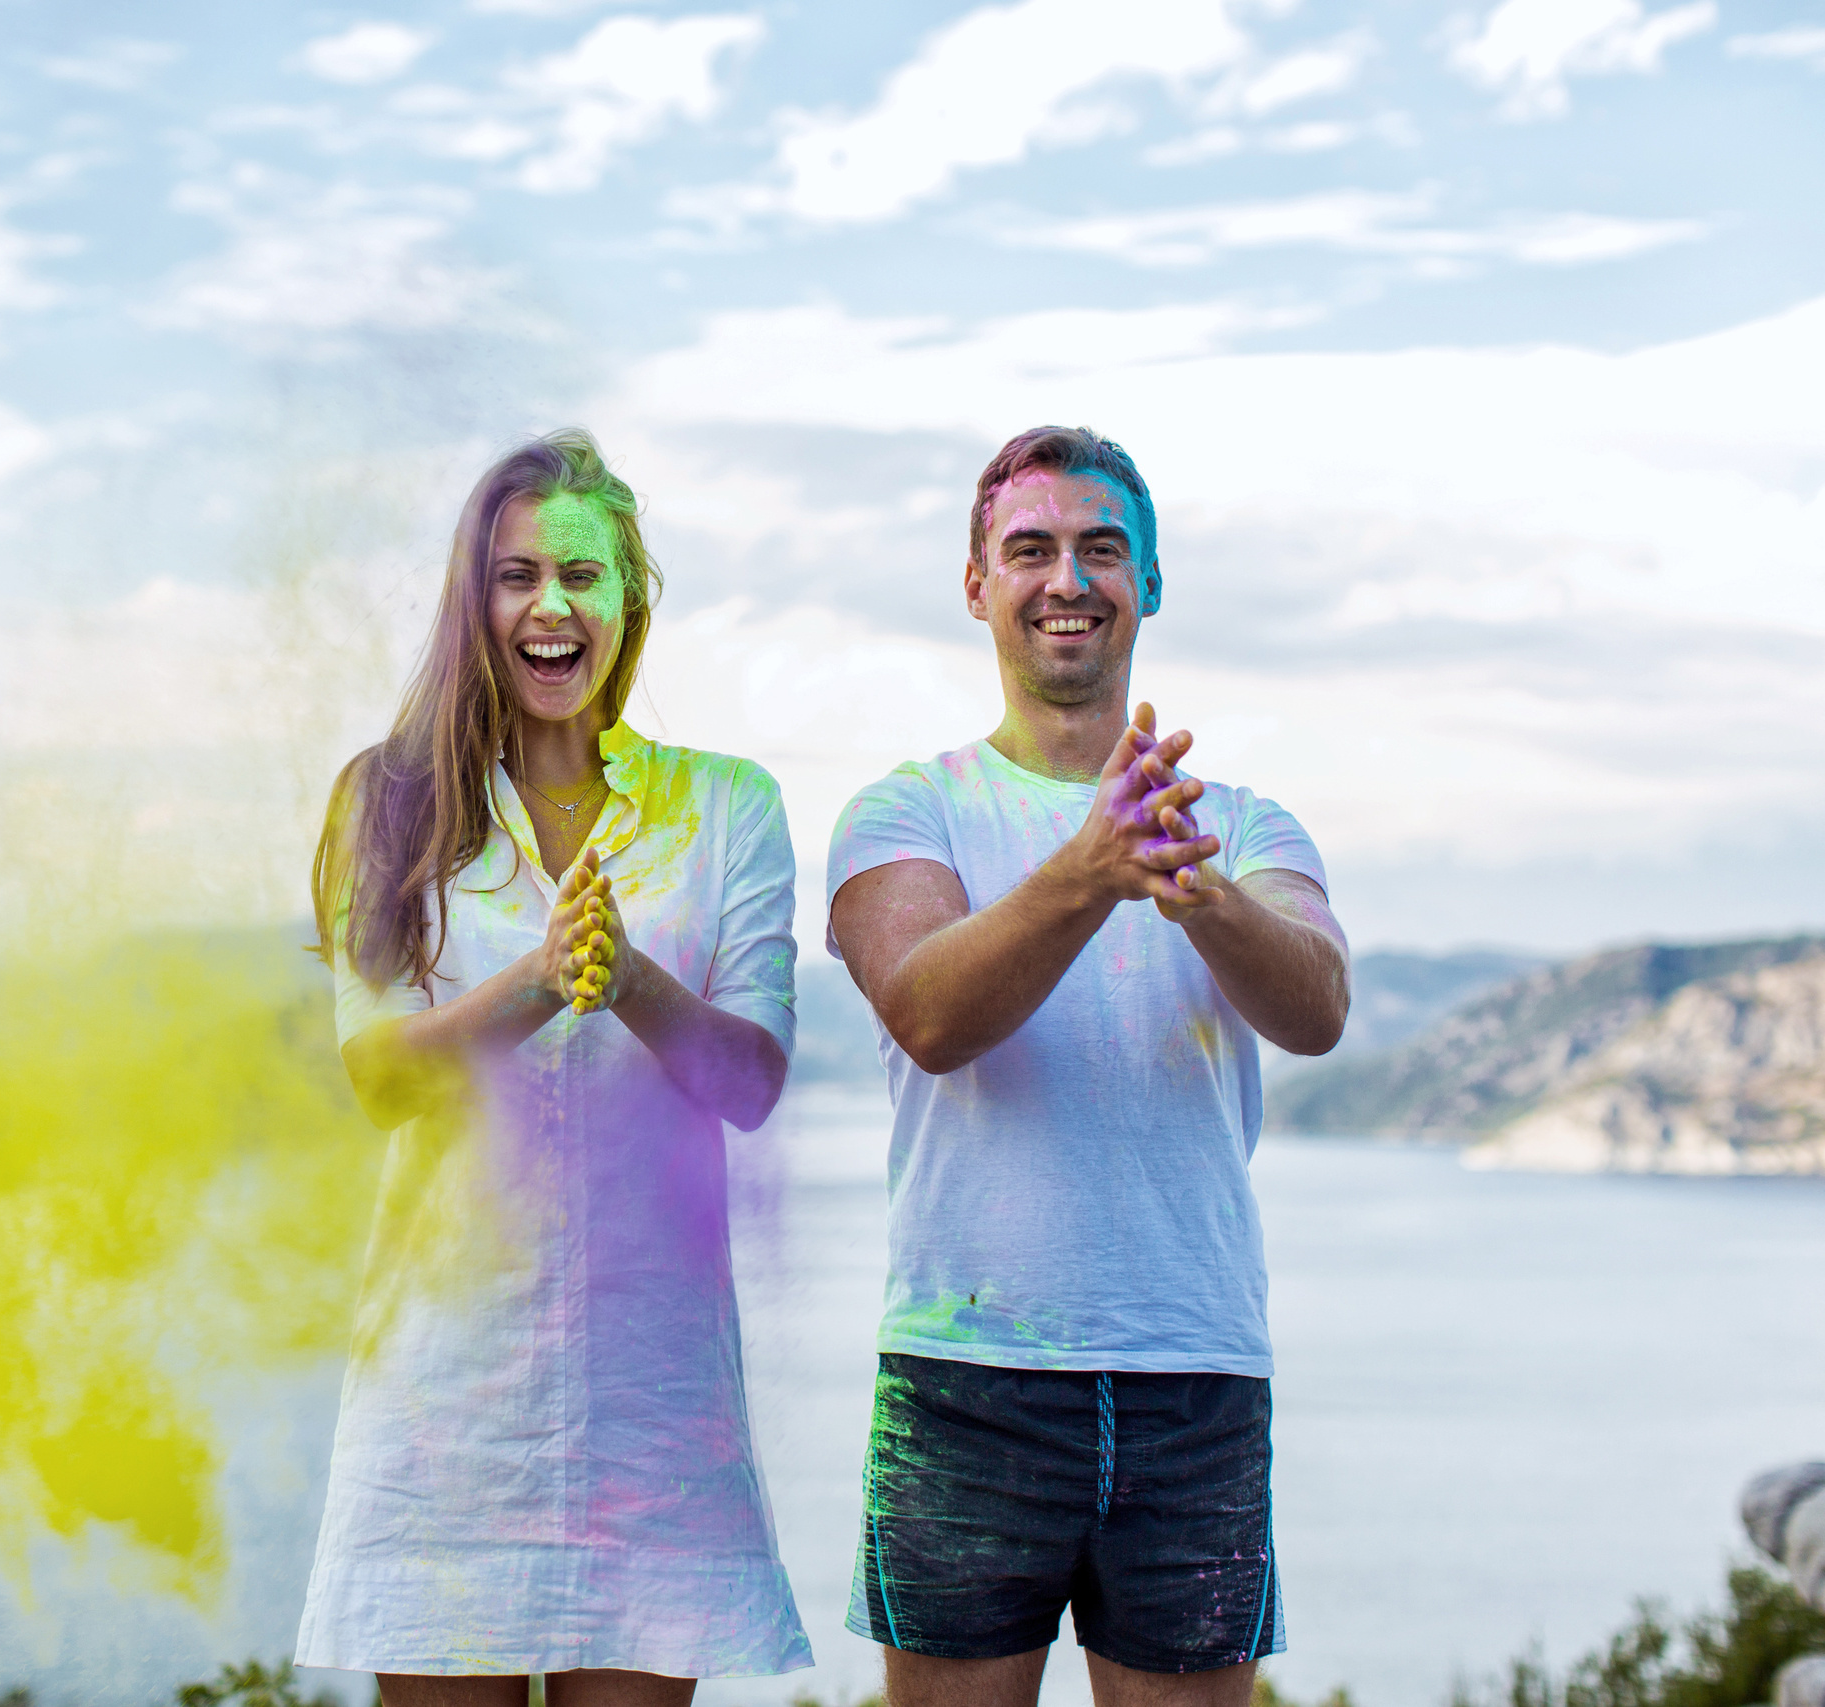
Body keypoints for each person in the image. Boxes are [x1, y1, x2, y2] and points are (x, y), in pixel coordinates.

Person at [825, 427, 1350, 1707]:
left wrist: (1193, 886)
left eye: (1101, 549)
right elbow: (929, 1014)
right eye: (1031, 549)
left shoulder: (1242, 827)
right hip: (965, 1380)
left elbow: (1318, 1006)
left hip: (1198, 1379)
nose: (1068, 578)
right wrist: (1091, 867)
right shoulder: (904, 811)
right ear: (975, 584)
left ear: (1150, 583)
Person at [298, 430, 813, 1707]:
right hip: (446, 1403)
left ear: (631, 596)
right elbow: (376, 1078)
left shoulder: (728, 804)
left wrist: (626, 979)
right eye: (517, 573)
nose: (550, 605)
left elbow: (749, 1082)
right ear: (475, 602)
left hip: (654, 1409)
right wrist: (536, 981)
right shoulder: (387, 802)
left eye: (582, 573)